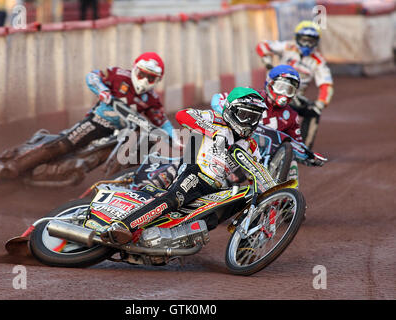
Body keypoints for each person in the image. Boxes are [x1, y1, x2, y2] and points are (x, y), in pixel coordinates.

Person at [100, 87, 274, 245]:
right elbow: (182, 115)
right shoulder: (216, 119)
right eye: (245, 115)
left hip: (217, 187)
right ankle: (123, 225)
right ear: (231, 111)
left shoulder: (251, 145)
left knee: (214, 218)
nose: (250, 122)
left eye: (254, 117)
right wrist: (210, 131)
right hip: (196, 172)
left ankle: (244, 249)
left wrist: (275, 195)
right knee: (174, 199)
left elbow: (257, 172)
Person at [0, 52, 175, 179]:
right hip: (99, 122)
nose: (144, 80)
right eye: (142, 74)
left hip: (121, 134)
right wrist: (102, 90)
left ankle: (110, 189)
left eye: (150, 78)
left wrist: (175, 140)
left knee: (138, 147)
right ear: (135, 69)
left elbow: (162, 121)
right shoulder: (118, 75)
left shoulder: (152, 98)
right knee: (65, 144)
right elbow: (93, 76)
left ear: (157, 80)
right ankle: (14, 167)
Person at [211, 64, 314, 184]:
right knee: (219, 177)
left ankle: (289, 197)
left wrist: (310, 156)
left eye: (289, 90)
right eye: (281, 87)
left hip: (260, 159)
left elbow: (297, 144)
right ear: (270, 83)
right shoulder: (251, 94)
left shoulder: (292, 115)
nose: (284, 94)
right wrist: (226, 112)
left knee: (292, 162)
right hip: (234, 145)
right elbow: (217, 99)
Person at [256, 20, 334, 149]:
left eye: (311, 41)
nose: (307, 44)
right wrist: (267, 62)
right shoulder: (288, 46)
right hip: (273, 90)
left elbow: (326, 84)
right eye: (304, 40)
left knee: (314, 111)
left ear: (317, 42)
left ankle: (303, 149)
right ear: (297, 38)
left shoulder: (318, 60)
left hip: (294, 96)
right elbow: (262, 46)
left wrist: (321, 103)